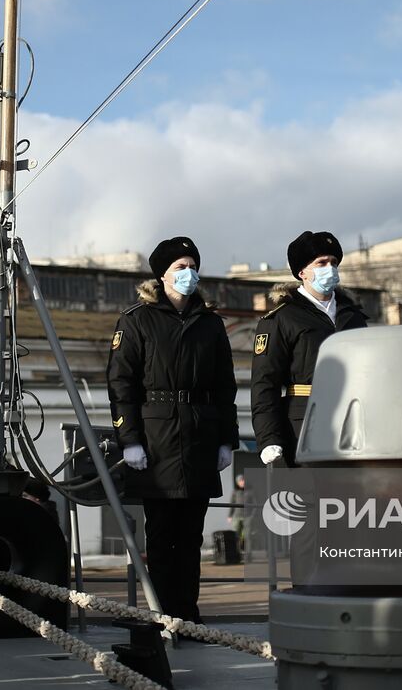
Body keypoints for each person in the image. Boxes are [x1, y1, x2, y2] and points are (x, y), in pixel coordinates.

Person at [107, 236, 239, 624]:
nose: (188, 273)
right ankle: (162, 613)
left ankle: (188, 613)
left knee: (192, 536)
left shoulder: (210, 324)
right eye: (180, 267)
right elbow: (121, 383)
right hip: (157, 438)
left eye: (192, 266)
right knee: (162, 536)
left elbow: (225, 386)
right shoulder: (137, 320)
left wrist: (227, 439)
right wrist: (128, 439)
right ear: (162, 274)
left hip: (199, 434)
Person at [251, 231, 368, 467]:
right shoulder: (282, 319)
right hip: (303, 424)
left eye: (334, 263)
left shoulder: (354, 317)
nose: (330, 268)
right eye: (321, 263)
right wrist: (269, 438)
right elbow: (265, 384)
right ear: (302, 272)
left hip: (352, 422)